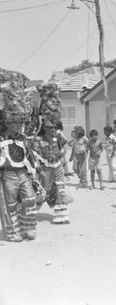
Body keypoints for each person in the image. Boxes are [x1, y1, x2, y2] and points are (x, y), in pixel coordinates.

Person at [0, 81, 39, 241]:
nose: (18, 126)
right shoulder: (1, 138)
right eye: (14, 123)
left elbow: (29, 156)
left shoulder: (23, 139)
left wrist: (35, 170)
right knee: (10, 205)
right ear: (8, 124)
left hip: (23, 173)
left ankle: (28, 228)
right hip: (8, 175)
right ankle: (14, 232)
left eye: (19, 123)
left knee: (30, 199)